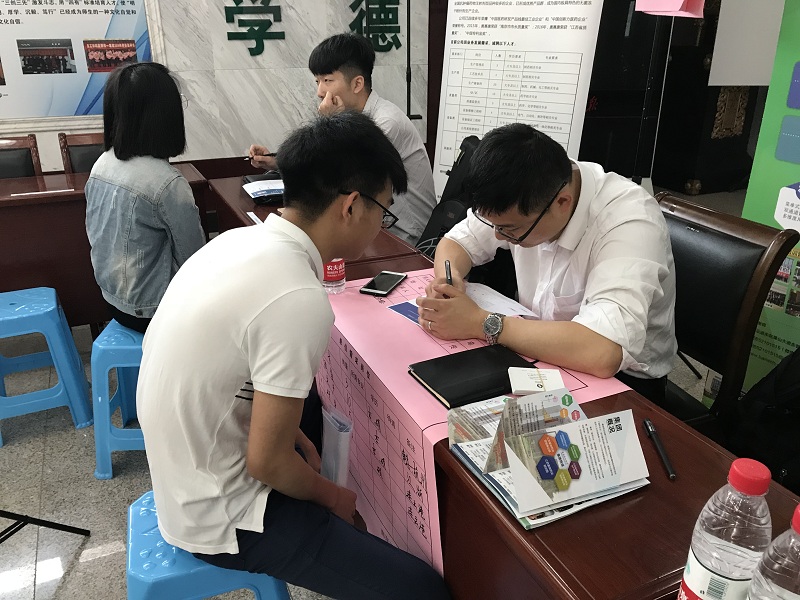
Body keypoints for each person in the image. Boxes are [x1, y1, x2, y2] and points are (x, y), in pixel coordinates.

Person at [137, 112, 451, 600]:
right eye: (384, 211)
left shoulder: (240, 240)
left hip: (184, 471)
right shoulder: (298, 297)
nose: (380, 225)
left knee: (310, 417)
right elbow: (267, 463)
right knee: (421, 589)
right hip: (220, 515)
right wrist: (335, 497)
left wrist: (292, 442)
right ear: (351, 206)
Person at [417, 123, 677, 403]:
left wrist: (480, 323)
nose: (498, 236)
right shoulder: (527, 187)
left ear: (562, 203)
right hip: (533, 349)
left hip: (624, 382)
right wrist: (449, 279)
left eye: (510, 230)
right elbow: (457, 242)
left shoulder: (630, 222)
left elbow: (603, 351)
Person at [249, 32, 437, 246]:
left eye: (327, 80)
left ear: (357, 84)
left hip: (406, 236)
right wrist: (275, 162)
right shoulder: (354, 118)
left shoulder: (385, 122)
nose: (320, 92)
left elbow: (338, 177)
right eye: (317, 81)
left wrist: (330, 122)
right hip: (372, 224)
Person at [85, 62, 205, 333]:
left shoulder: (102, 163)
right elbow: (194, 260)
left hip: (111, 299)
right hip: (151, 311)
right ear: (165, 116)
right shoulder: (167, 183)